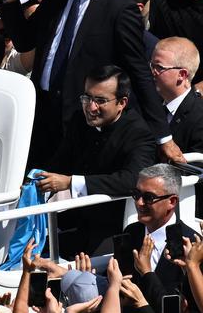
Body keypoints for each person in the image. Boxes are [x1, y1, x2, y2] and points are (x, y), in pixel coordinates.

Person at [0, 0, 169, 167]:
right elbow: (26, 41)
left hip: (83, 123)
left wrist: (163, 137)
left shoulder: (120, 8)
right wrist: (10, 1)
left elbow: (139, 72)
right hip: (40, 115)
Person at [37, 66, 156, 256]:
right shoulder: (79, 120)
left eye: (100, 101)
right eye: (87, 98)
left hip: (112, 225)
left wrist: (70, 182)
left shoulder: (139, 134)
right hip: (73, 218)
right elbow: (60, 161)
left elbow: (133, 179)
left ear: (122, 103)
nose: (91, 107)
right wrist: (35, 180)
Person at [122, 164, 196, 305]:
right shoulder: (131, 233)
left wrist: (146, 273)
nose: (139, 202)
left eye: (148, 198)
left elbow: (188, 310)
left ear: (172, 202)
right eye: (136, 194)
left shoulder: (191, 245)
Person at [153, 37, 203, 158]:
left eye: (159, 67)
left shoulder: (199, 117)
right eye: (151, 65)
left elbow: (195, 169)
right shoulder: (150, 106)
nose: (152, 71)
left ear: (182, 74)